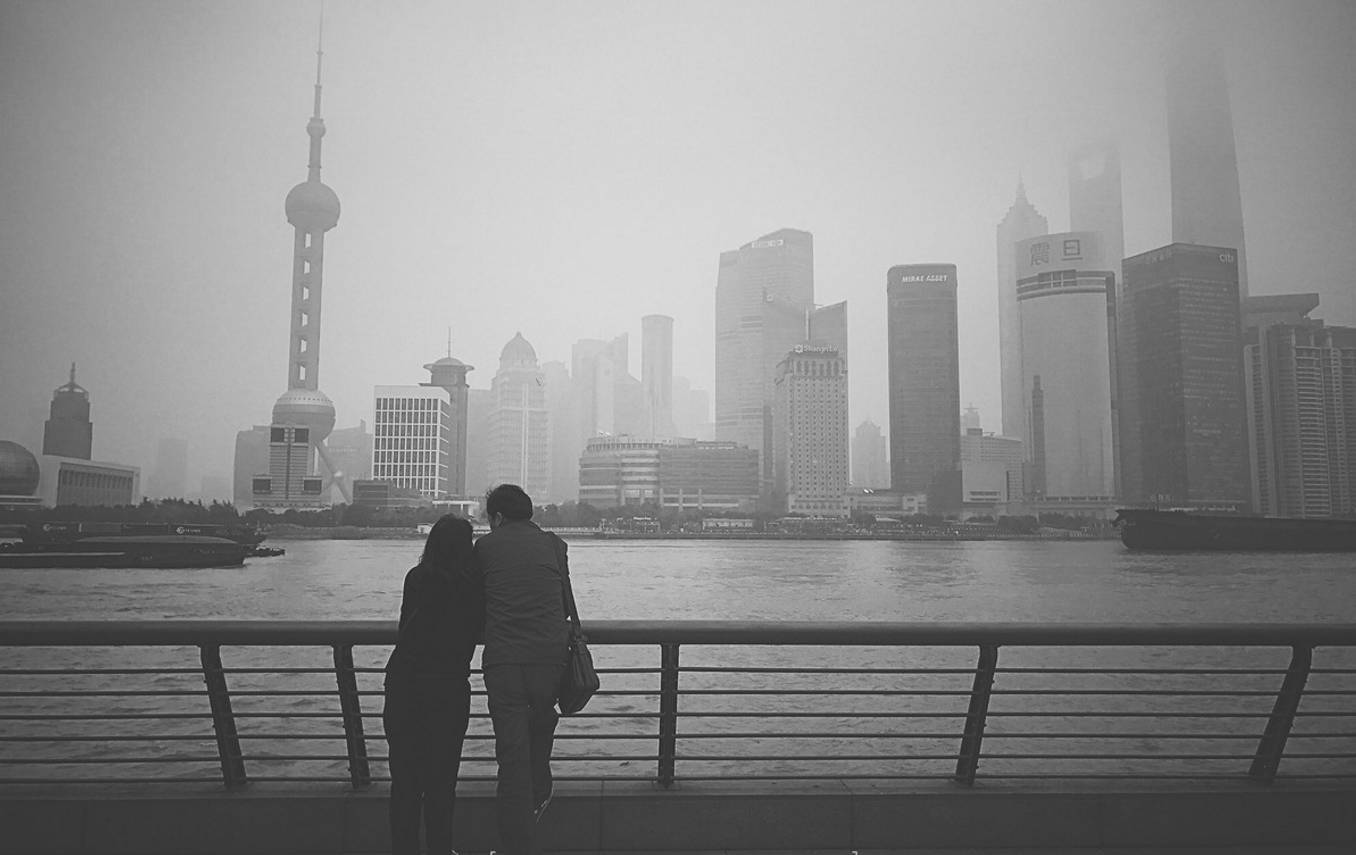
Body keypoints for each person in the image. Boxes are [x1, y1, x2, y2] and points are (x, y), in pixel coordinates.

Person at [471, 484, 570, 855]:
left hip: (506, 661)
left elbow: (477, 603)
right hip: (551, 658)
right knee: (539, 731)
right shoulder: (555, 545)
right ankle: (540, 792)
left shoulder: (484, 547)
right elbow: (564, 602)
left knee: (512, 757)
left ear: (497, 517)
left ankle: (516, 844)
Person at [383, 514, 480, 855]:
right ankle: (440, 847)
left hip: (405, 684)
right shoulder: (473, 588)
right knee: (442, 783)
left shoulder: (417, 578)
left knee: (405, 783)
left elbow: (405, 627)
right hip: (449, 688)